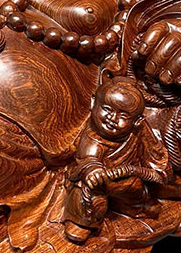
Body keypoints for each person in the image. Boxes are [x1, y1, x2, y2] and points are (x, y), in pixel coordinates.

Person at [62, 78, 169, 243]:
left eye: (124, 116)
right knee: (87, 190)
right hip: (99, 182)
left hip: (130, 181)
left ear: (137, 121)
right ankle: (81, 222)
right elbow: (89, 159)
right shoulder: (93, 136)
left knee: (138, 188)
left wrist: (156, 171)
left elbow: (157, 159)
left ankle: (135, 205)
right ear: (93, 103)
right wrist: (94, 172)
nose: (113, 118)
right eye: (107, 109)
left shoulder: (140, 131)